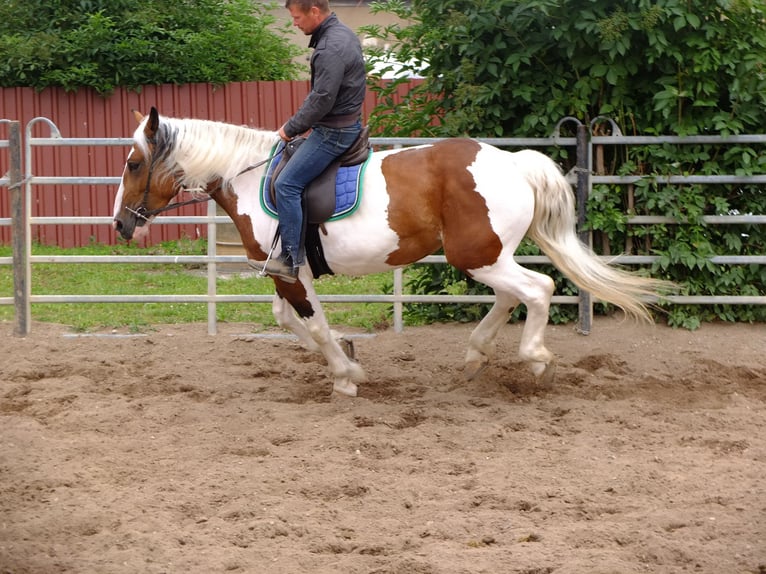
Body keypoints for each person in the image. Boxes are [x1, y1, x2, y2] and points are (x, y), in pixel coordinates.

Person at [250, 0, 366, 283]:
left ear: (315, 11)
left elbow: (322, 99)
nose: (294, 23)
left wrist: (290, 129)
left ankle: (290, 259)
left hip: (334, 132)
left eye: (297, 17)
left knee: (286, 184)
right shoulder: (342, 33)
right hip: (344, 124)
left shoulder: (329, 48)